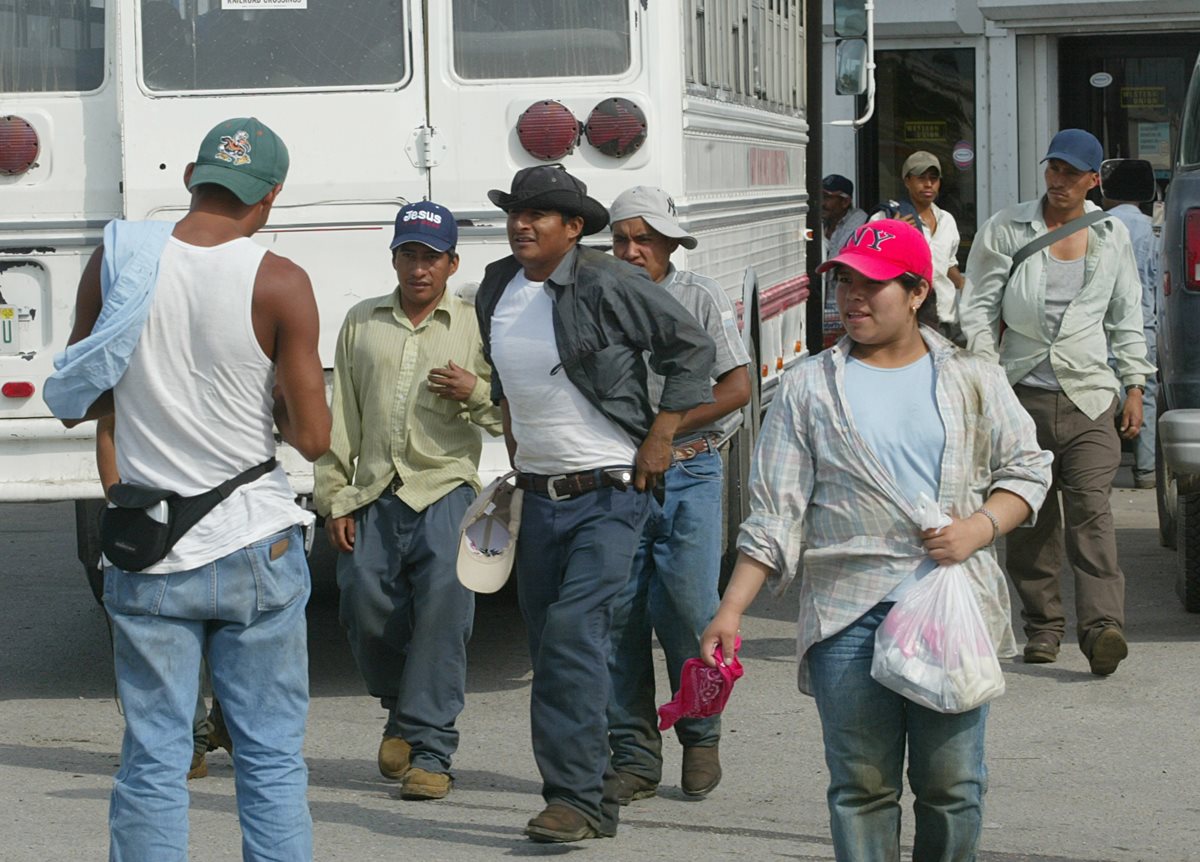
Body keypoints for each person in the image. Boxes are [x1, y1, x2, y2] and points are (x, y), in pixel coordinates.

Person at [702, 219, 1052, 861]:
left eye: (874, 284)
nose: (854, 298)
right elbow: (775, 513)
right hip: (846, 614)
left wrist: (978, 527)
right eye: (844, 283)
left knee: (953, 788)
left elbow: (1028, 468)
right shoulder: (810, 387)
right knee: (860, 787)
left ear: (918, 291)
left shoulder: (972, 376)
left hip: (948, 609)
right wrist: (730, 609)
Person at [54, 117, 331, 860]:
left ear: (189, 178)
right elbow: (314, 439)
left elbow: (82, 395)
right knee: (270, 760)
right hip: (254, 542)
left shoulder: (116, 264)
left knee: (154, 759)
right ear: (269, 195)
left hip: (150, 545)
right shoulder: (280, 281)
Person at [474, 165, 716, 843]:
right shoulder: (496, 285)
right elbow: (506, 381)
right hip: (539, 496)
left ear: (575, 228)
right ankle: (583, 798)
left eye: (540, 215)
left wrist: (662, 435)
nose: (523, 224)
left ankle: (577, 799)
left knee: (576, 636)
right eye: (516, 212)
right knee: (552, 644)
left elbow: (689, 348)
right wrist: (517, 456)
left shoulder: (609, 281)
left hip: (610, 490)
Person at [313, 201, 502, 801]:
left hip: (444, 486)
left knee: (447, 607)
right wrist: (335, 497)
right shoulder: (361, 322)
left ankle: (431, 750)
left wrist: (474, 391)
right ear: (394, 258)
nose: (418, 269)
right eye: (408, 255)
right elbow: (341, 413)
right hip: (374, 489)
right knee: (363, 604)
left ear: (452, 263)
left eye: (431, 258)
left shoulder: (474, 324)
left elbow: (505, 415)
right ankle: (400, 707)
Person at [959, 128, 1155, 675]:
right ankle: (1043, 629)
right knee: (1031, 518)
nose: (1059, 181)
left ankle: (1102, 630)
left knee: (1091, 511)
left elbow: (1125, 315)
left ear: (1094, 179)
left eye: (1072, 173)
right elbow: (978, 306)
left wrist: (1135, 386)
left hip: (1090, 393)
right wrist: (985, 376)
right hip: (1019, 393)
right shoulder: (1008, 227)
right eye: (1053, 169)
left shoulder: (1111, 233)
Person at [605, 186, 751, 804]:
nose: (633, 251)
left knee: (693, 613)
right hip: (617, 479)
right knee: (620, 618)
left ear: (670, 243)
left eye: (646, 239)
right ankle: (635, 755)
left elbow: (738, 386)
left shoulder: (698, 295)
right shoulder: (597, 299)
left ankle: (701, 734)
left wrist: (665, 431)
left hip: (690, 471)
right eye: (622, 239)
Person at [95, 415, 234, 782]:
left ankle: (219, 727)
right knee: (170, 643)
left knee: (224, 634)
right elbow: (106, 423)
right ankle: (193, 739)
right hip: (157, 520)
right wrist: (118, 499)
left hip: (226, 515)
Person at [871, 151, 965, 341]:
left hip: (948, 318)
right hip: (910, 319)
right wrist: (894, 233)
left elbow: (947, 265)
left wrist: (968, 288)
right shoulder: (886, 218)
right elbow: (871, 267)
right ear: (907, 181)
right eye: (921, 178)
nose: (929, 184)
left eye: (934, 178)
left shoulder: (947, 220)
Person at [1103, 190, 1159, 489]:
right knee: (1144, 396)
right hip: (1141, 324)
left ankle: (1100, 473)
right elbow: (1159, 278)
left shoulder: (1096, 224)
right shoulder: (1153, 229)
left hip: (1100, 329)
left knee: (1099, 398)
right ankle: (1146, 470)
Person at [821, 174, 868, 348]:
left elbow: (837, 259)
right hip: (823, 302)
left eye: (827, 197)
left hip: (841, 300)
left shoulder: (859, 221)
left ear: (845, 202)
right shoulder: (822, 220)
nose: (822, 202)